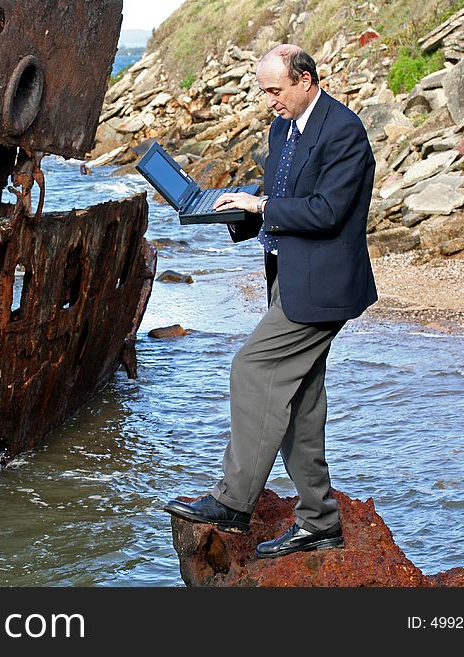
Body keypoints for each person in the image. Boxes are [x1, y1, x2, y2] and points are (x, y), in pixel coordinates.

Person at [163, 44, 377, 558]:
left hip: (324, 287)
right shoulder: (284, 126)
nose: (268, 102)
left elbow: (326, 211)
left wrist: (261, 204)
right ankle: (320, 522)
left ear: (305, 80)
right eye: (263, 91)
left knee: (251, 369)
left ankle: (234, 502)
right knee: (301, 402)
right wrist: (233, 208)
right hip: (290, 277)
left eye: (275, 91)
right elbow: (279, 192)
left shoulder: (344, 131)